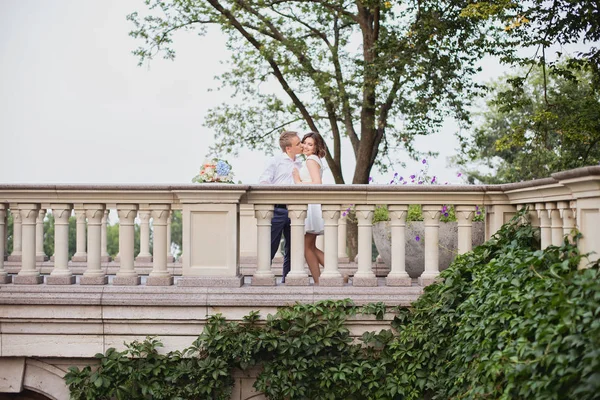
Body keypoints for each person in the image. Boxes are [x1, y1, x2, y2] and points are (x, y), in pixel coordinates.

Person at [258, 131, 304, 283]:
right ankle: (264, 278)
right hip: (277, 209)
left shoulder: (300, 163)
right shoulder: (275, 161)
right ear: (288, 148)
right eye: (298, 144)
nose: (302, 145)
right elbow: (264, 182)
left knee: (293, 248)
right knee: (270, 244)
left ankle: (287, 280)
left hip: (296, 211)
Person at [292, 132, 326, 284]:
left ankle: (322, 279)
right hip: (312, 205)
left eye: (310, 144)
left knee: (306, 247)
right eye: (304, 143)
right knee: (310, 246)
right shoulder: (313, 159)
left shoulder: (311, 160)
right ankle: (327, 276)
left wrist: (298, 182)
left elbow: (317, 183)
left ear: (316, 147)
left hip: (311, 206)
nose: (305, 146)